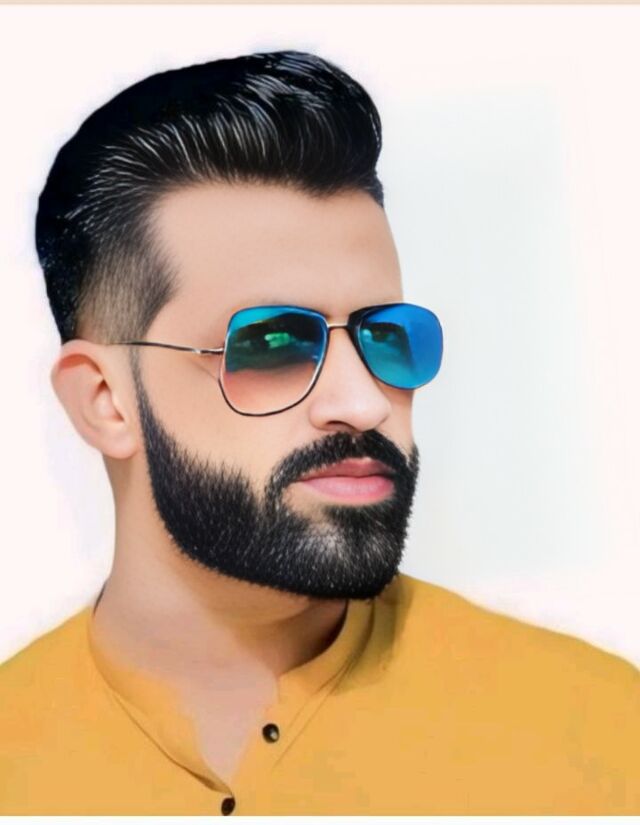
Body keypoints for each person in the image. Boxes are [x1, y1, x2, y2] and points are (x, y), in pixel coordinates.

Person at [0, 49, 637, 816]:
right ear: (105, 400)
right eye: (272, 342)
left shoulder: (600, 734)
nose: (364, 403)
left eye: (384, 335)